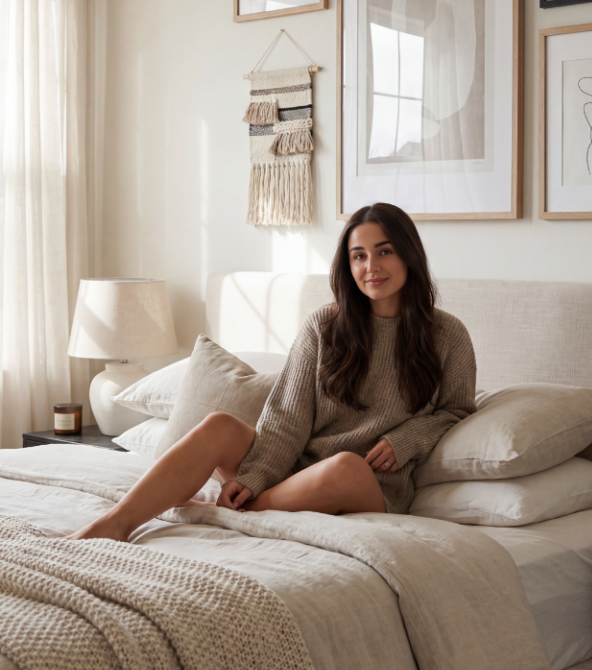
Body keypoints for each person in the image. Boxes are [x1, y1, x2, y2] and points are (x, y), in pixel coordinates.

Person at [70, 203, 476, 541]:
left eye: (384, 251)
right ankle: (115, 523)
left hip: (368, 483)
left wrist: (407, 439)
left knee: (346, 465)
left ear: (409, 254)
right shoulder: (324, 327)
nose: (372, 266)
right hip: (296, 465)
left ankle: (240, 510)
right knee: (220, 426)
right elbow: (286, 414)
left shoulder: (448, 335)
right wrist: (257, 474)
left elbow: (456, 413)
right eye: (359, 255)